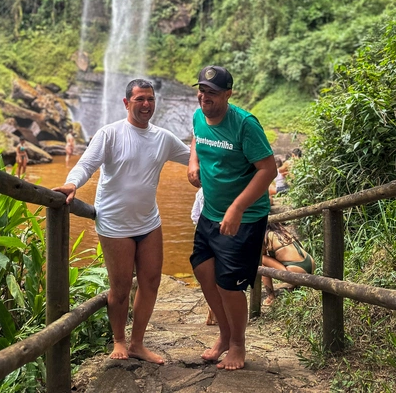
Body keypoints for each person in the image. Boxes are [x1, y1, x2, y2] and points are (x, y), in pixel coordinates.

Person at [53, 78, 190, 364]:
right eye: (139, 99)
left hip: (148, 221)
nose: (146, 104)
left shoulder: (163, 138)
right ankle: (118, 340)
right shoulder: (110, 133)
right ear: (126, 103)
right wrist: (71, 183)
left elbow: (192, 159)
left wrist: (205, 144)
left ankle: (138, 343)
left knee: (151, 282)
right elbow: (87, 163)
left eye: (150, 99)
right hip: (115, 223)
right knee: (121, 287)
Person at [188, 65, 277, 370]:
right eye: (201, 91)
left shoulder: (245, 124)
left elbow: (268, 170)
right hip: (211, 212)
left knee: (229, 283)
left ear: (228, 94)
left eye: (211, 93)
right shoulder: (199, 114)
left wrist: (237, 207)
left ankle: (238, 344)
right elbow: (196, 139)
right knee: (202, 269)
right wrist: (193, 163)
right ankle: (224, 335)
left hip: (245, 216)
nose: (204, 97)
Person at [262, 222, 315, 306]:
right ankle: (294, 284)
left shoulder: (266, 235)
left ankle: (270, 297)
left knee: (261, 259)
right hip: (310, 264)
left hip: (295, 270)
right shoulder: (281, 231)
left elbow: (262, 253)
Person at [190, 188, 218, 326]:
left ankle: (212, 313)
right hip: (223, 233)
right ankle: (216, 313)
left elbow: (194, 216)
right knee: (221, 274)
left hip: (203, 233)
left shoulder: (201, 191)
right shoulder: (222, 188)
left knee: (208, 277)